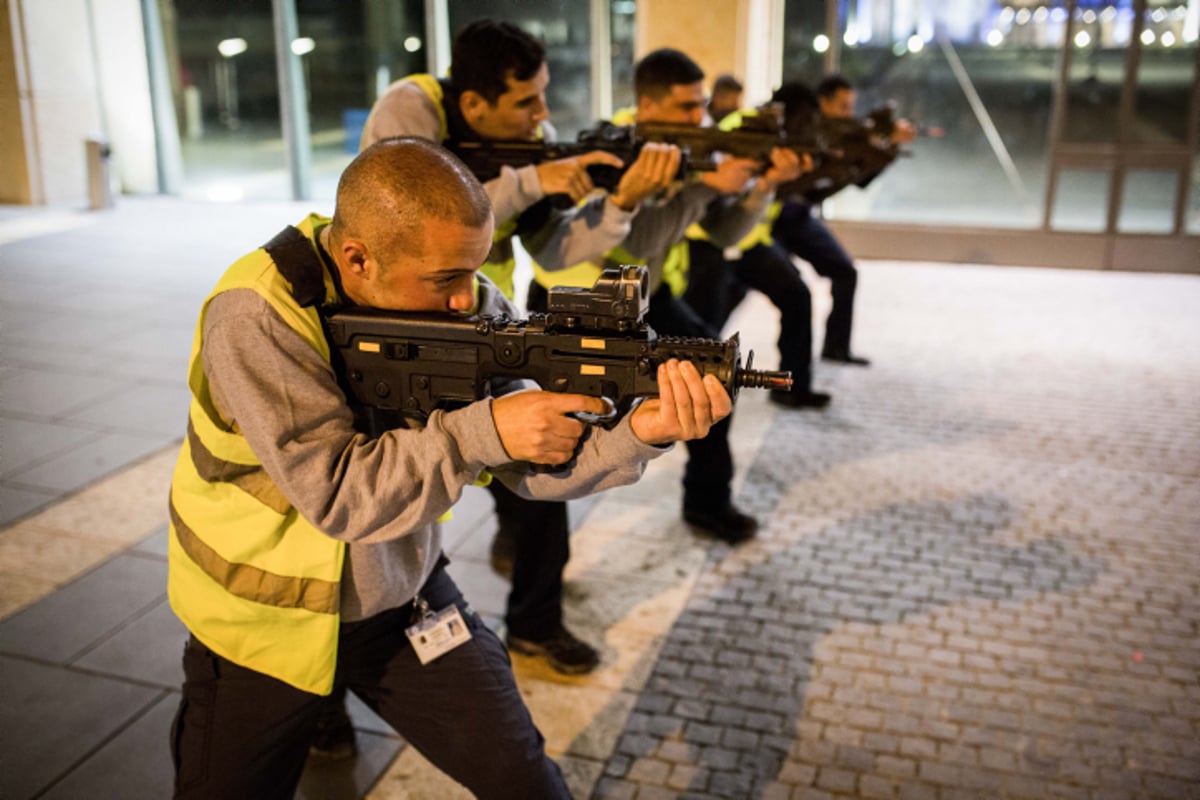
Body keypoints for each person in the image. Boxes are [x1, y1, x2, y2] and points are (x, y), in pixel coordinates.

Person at [167, 136, 731, 799]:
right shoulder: (258, 316)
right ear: (357, 258)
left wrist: (640, 431)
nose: (471, 299)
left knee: (525, 781)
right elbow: (340, 494)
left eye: (476, 270)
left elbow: (532, 464)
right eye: (446, 280)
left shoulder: (466, 298)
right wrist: (481, 431)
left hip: (400, 601)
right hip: (262, 628)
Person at [359, 18, 681, 679]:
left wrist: (620, 200)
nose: (542, 117)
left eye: (543, 96)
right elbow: (406, 217)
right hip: (408, 337)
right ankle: (326, 697)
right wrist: (534, 181)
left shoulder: (522, 143)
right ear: (473, 105)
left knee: (542, 479)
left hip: (491, 337)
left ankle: (535, 626)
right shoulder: (410, 110)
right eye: (526, 102)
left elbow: (556, 249)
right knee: (372, 521)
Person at [528, 48, 804, 544]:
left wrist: (763, 186)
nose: (698, 118)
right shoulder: (607, 152)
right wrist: (705, 187)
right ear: (647, 106)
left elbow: (723, 234)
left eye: (700, 106)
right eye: (684, 108)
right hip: (574, 302)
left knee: (716, 374)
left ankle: (706, 504)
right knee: (549, 437)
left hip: (641, 297)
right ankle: (527, 566)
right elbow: (639, 239)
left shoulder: (687, 149)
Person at [770, 74, 916, 366]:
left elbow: (858, 177)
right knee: (778, 293)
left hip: (796, 215)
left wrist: (886, 146)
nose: (848, 114)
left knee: (843, 273)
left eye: (851, 107)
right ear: (821, 103)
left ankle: (835, 348)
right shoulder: (799, 128)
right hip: (765, 219)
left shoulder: (843, 134)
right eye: (842, 107)